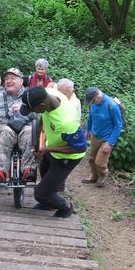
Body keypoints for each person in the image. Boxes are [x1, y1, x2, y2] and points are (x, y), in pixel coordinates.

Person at [19, 86, 86, 218]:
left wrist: (46, 149)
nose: (32, 112)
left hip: (67, 157)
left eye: (33, 109)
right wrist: (39, 130)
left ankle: (66, 206)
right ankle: (48, 203)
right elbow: (43, 115)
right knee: (45, 174)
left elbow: (80, 148)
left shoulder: (67, 121)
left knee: (40, 194)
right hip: (53, 147)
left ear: (42, 104)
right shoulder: (48, 94)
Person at [0, 68, 36, 183]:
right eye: (7, 79)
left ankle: (28, 170)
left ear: (21, 81)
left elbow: (41, 116)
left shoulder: (30, 96)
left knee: (30, 131)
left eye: (13, 78)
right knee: (5, 130)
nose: (9, 81)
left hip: (25, 128)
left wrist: (25, 110)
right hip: (3, 128)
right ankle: (0, 171)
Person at [83, 86, 123, 188]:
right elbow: (90, 118)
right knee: (92, 158)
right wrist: (87, 130)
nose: (92, 103)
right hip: (95, 136)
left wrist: (110, 143)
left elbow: (118, 125)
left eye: (92, 101)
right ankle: (94, 175)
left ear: (97, 96)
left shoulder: (112, 106)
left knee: (100, 162)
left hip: (107, 138)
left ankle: (103, 175)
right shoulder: (93, 104)